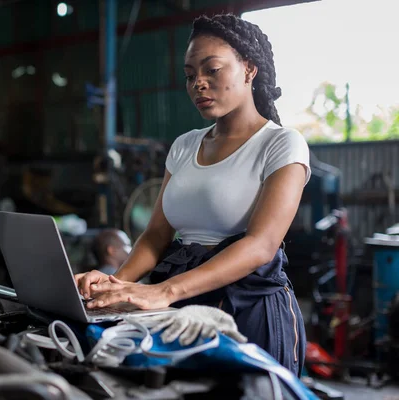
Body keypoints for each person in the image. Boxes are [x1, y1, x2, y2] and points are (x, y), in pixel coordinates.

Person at [75, 14, 310, 376]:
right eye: (189, 75)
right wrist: (115, 285)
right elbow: (155, 236)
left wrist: (163, 292)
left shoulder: (280, 144)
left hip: (249, 314)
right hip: (183, 310)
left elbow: (261, 245)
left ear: (249, 69)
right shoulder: (185, 145)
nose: (198, 83)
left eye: (212, 70)